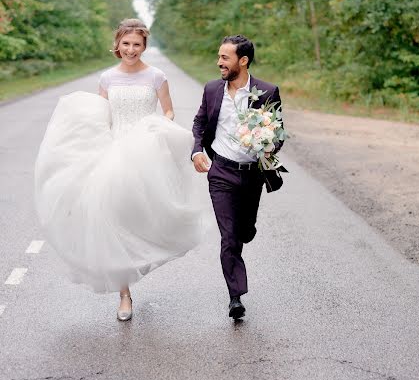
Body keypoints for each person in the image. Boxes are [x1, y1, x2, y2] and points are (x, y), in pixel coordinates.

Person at [35, 18, 203, 321]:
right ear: (118, 44)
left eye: (137, 44)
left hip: (146, 152)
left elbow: (167, 109)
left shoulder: (156, 76)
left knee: (145, 216)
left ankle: (146, 252)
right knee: (112, 220)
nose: (131, 49)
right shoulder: (107, 78)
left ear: (144, 46)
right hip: (113, 151)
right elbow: (99, 117)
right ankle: (124, 295)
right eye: (126, 43)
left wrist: (160, 126)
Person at [192, 35, 285, 320]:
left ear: (242, 61)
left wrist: (268, 143)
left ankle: (247, 227)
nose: (219, 62)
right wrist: (196, 150)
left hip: (252, 175)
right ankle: (235, 297)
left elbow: (278, 131)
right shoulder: (211, 90)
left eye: (225, 58)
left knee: (244, 230)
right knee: (230, 237)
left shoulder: (267, 91)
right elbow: (199, 122)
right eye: (219, 57)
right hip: (220, 171)